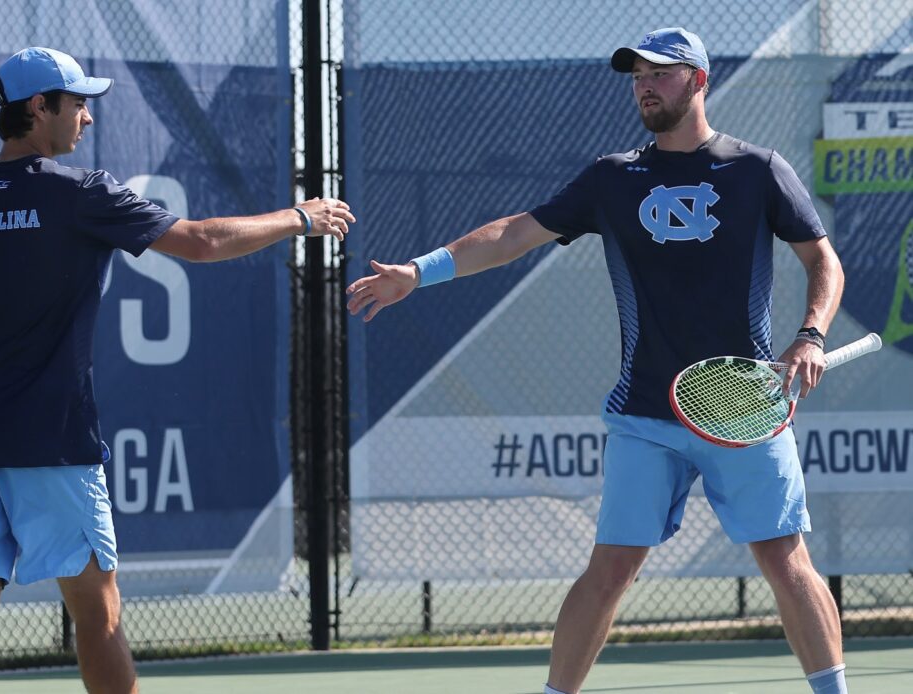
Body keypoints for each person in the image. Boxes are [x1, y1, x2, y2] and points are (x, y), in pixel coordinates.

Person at [346, 27, 848, 694]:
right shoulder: (613, 179)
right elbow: (512, 234)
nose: (644, 84)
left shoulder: (757, 170)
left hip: (746, 408)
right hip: (644, 413)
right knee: (611, 567)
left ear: (698, 81)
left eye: (661, 73)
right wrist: (418, 270)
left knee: (786, 563)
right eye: (637, 74)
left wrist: (810, 334)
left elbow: (823, 260)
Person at [0, 46, 354, 694]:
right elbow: (199, 242)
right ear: (39, 108)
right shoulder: (79, 194)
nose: (86, 117)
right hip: (49, 447)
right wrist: (300, 217)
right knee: (99, 613)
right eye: (78, 103)